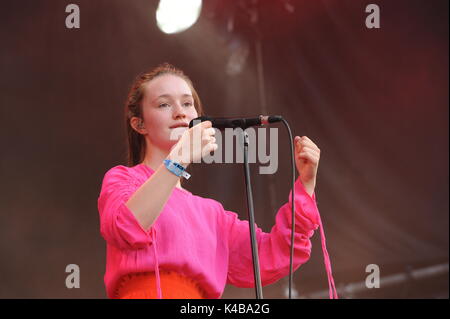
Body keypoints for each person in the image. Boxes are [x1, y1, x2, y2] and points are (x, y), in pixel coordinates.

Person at [97, 63, 337, 299]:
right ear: (139, 124)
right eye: (164, 104)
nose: (180, 112)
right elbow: (125, 227)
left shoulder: (213, 215)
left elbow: (275, 253)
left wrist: (306, 183)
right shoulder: (123, 180)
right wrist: (178, 159)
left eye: (187, 103)